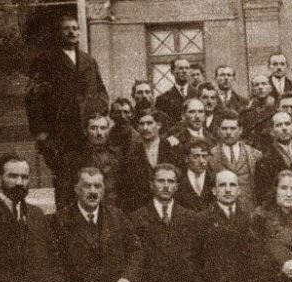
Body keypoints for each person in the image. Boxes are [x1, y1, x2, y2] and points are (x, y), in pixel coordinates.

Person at [26, 15, 109, 209]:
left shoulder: (88, 60)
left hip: (87, 137)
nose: (71, 32)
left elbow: (101, 91)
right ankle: (65, 225)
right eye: (66, 28)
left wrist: (99, 114)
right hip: (60, 137)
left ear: (79, 32)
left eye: (74, 28)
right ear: (59, 33)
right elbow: (33, 98)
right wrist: (42, 135)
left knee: (89, 183)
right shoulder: (46, 60)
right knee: (65, 186)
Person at [118, 108, 179, 213]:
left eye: (149, 123)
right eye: (141, 124)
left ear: (159, 125)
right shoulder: (131, 155)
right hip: (142, 210)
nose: (145, 128)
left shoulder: (172, 149)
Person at [207, 109, 263, 214]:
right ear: (218, 130)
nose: (228, 132)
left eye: (233, 128)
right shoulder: (211, 156)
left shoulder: (255, 154)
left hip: (249, 211)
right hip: (222, 212)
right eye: (224, 128)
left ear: (240, 130)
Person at [254, 111, 292, 202]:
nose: (284, 128)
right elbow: (264, 195)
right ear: (271, 131)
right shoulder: (264, 161)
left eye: (287, 124)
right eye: (279, 125)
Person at [81, 113, 121, 207]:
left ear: (108, 130)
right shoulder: (74, 157)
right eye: (93, 128)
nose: (99, 133)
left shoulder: (118, 155)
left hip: (113, 208)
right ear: (85, 131)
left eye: (103, 128)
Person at [175, 138, 215, 212]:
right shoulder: (178, 179)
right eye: (196, 156)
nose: (201, 161)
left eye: (204, 156)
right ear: (186, 158)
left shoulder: (214, 179)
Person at [241, 75, 277, 149]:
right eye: (257, 85)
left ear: (270, 88)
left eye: (264, 84)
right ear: (253, 90)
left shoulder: (276, 109)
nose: (260, 87)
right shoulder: (246, 112)